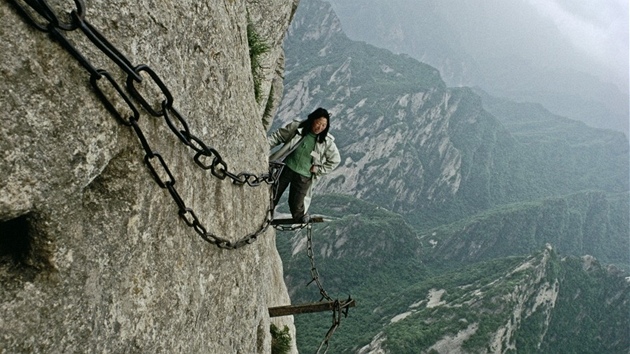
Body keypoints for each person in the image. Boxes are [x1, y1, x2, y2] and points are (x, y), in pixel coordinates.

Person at [268, 107, 341, 222]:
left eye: (323, 125)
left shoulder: (326, 142)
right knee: (272, 194)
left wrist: (318, 170)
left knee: (296, 203)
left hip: (304, 176)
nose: (320, 128)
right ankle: (265, 216)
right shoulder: (298, 128)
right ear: (312, 120)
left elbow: (335, 160)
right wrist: (264, 147)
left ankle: (301, 220)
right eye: (318, 123)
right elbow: (279, 136)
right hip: (286, 168)